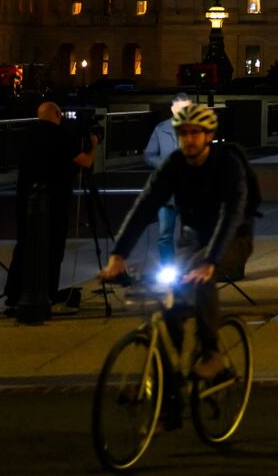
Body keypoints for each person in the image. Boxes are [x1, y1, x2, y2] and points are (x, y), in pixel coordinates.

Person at [98, 105, 254, 382]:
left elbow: (232, 214)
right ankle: (173, 373)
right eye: (183, 133)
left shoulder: (227, 164)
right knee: (169, 294)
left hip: (233, 237)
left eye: (195, 133)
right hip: (193, 238)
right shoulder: (175, 165)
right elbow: (144, 208)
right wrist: (118, 256)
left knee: (199, 275)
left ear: (209, 136)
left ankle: (211, 353)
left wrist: (211, 261)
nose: (188, 139)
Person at [4, 101, 95, 308]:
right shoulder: (60, 134)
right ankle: (48, 291)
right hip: (54, 202)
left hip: (25, 199)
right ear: (56, 114)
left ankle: (14, 292)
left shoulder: (26, 134)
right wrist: (94, 144)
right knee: (53, 248)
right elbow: (85, 161)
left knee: (24, 244)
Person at [144, 96, 193, 271]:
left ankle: (188, 269)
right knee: (165, 234)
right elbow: (149, 155)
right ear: (173, 109)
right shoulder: (161, 129)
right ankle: (169, 270)